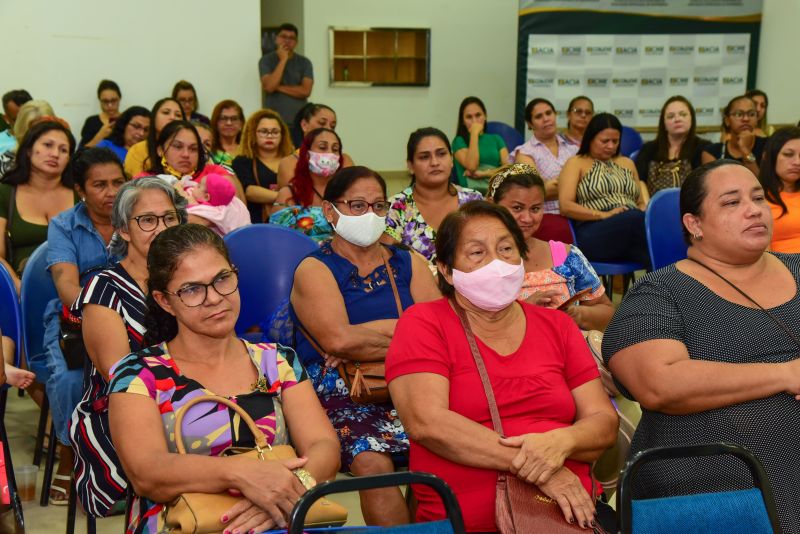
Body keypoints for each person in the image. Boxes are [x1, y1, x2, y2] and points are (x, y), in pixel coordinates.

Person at [386, 200, 618, 532]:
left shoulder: (557, 326)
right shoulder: (424, 323)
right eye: (477, 253)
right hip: (467, 515)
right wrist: (541, 467)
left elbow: (603, 423)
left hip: (568, 512)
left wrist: (562, 441)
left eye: (506, 248)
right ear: (448, 271)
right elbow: (427, 422)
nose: (497, 263)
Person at [602, 159, 800, 533]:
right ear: (694, 225)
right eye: (731, 202)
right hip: (714, 490)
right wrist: (786, 374)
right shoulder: (660, 292)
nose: (753, 209)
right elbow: (658, 383)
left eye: (758, 197)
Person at [108, 223, 340, 533]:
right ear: (165, 301)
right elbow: (146, 471)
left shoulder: (277, 360)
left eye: (221, 279)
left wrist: (280, 496)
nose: (214, 298)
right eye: (192, 289)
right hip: (185, 524)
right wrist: (239, 474)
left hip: (280, 517)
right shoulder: (139, 373)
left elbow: (323, 445)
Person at [291, 166, 441, 526]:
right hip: (344, 389)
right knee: (373, 462)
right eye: (357, 205)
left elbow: (439, 334)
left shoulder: (409, 263)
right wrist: (409, 332)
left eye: (378, 206)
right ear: (331, 212)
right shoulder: (315, 268)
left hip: (415, 383)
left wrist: (372, 333)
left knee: (441, 451)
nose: (370, 215)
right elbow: (338, 340)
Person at [69, 177, 186, 514]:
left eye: (169, 218)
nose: (161, 229)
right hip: (123, 412)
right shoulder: (103, 287)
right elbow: (120, 376)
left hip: (192, 399)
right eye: (147, 220)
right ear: (123, 229)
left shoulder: (191, 280)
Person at [40, 147, 125, 504]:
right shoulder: (63, 225)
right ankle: (68, 456)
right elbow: (66, 289)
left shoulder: (138, 218)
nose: (111, 192)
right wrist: (102, 310)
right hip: (73, 320)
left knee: (142, 375)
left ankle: (128, 460)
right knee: (73, 380)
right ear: (80, 190)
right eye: (99, 185)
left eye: (118, 182)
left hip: (131, 315)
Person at [488, 164, 614, 331]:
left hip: (568, 350)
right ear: (492, 205)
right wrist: (524, 311)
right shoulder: (480, 261)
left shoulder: (567, 256)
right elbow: (469, 324)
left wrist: (576, 314)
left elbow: (607, 312)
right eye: (517, 208)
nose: (527, 218)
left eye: (535, 209)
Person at [559, 113, 651, 269]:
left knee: (650, 247)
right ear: (590, 138)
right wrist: (605, 214)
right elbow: (565, 206)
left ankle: (664, 289)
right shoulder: (576, 163)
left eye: (615, 141)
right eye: (605, 141)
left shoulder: (627, 163)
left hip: (632, 227)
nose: (611, 146)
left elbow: (641, 202)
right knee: (643, 228)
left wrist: (644, 214)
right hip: (594, 230)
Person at [385, 127, 483, 264]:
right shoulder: (396, 206)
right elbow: (389, 258)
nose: (435, 162)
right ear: (411, 166)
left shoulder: (473, 200)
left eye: (441, 154)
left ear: (452, 159)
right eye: (424, 157)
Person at [0, 119, 76, 275]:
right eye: (48, 145)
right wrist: (16, 286)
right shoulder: (5, 192)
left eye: (63, 150)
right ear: (28, 150)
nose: (55, 154)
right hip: (16, 284)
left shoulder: (80, 194)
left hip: (75, 286)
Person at [510, 97, 579, 242]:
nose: (546, 119)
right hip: (547, 214)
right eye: (539, 116)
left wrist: (556, 183)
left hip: (579, 211)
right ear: (530, 124)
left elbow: (589, 185)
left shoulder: (574, 149)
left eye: (549, 113)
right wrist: (574, 182)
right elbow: (538, 192)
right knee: (560, 233)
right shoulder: (525, 153)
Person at [141, 120, 245, 203]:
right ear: (160, 150)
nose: (186, 154)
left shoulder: (215, 173)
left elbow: (236, 212)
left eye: (193, 148)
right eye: (177, 146)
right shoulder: (143, 180)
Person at [271, 127, 342, 243]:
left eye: (335, 149)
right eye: (322, 147)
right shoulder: (289, 193)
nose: (329, 153)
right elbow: (276, 238)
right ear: (307, 154)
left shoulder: (346, 193)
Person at [635, 96, 711, 195]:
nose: (677, 119)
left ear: (691, 118)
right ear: (664, 123)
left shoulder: (704, 148)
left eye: (683, 114)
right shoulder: (648, 149)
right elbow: (640, 182)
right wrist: (648, 206)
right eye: (671, 116)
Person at [232, 109, 294, 223]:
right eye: (264, 131)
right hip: (255, 222)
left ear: (282, 135)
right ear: (253, 134)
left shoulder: (293, 160)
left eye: (275, 132)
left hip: (291, 221)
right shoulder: (242, 161)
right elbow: (249, 191)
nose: (269, 136)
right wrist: (285, 198)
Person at [277, 103, 354, 187]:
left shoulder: (344, 160)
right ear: (304, 125)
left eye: (332, 126)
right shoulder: (290, 162)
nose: (328, 129)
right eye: (322, 123)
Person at [260, 23, 314, 125]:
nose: (287, 41)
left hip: (299, 121)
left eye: (291, 38)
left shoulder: (305, 62)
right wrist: (283, 60)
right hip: (273, 121)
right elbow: (270, 87)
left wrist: (278, 87)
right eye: (283, 37)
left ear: (296, 42)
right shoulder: (266, 60)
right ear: (276, 39)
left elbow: (306, 91)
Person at [452, 96, 509, 193]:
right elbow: (472, 166)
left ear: (485, 116)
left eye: (478, 115)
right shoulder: (458, 141)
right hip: (470, 195)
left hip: (496, 192)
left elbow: (508, 170)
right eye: (469, 117)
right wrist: (474, 134)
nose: (474, 121)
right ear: (463, 121)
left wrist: (484, 173)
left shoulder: (496, 139)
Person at [701, 95, 766, 177]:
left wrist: (745, 150)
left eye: (751, 114)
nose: (746, 119)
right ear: (727, 121)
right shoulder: (712, 152)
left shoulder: (768, 145)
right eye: (739, 114)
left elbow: (762, 185)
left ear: (756, 120)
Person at [760, 127, 800, 253]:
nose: (797, 162)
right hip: (783, 266)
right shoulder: (759, 199)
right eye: (788, 154)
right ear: (769, 157)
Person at [124, 98, 185, 178]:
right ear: (154, 118)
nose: (173, 117)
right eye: (166, 112)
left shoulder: (190, 150)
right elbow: (136, 186)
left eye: (178, 115)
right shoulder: (138, 150)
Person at [183, 173, 251, 236]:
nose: (195, 185)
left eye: (199, 186)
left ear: (206, 197)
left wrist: (189, 200)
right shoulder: (235, 204)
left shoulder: (209, 211)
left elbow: (184, 214)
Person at [0, 99, 55, 176]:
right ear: (22, 132)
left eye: (45, 130)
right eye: (34, 132)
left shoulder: (60, 158)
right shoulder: (7, 162)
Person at [79, 80, 122, 148]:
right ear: (99, 101)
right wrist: (99, 136)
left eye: (113, 100)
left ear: (120, 99)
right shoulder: (91, 122)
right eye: (105, 101)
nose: (110, 105)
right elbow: (80, 154)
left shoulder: (128, 120)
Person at [209, 99, 244, 166]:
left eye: (234, 119)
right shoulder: (209, 150)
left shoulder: (248, 150)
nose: (229, 123)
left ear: (241, 123)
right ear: (215, 122)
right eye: (223, 118)